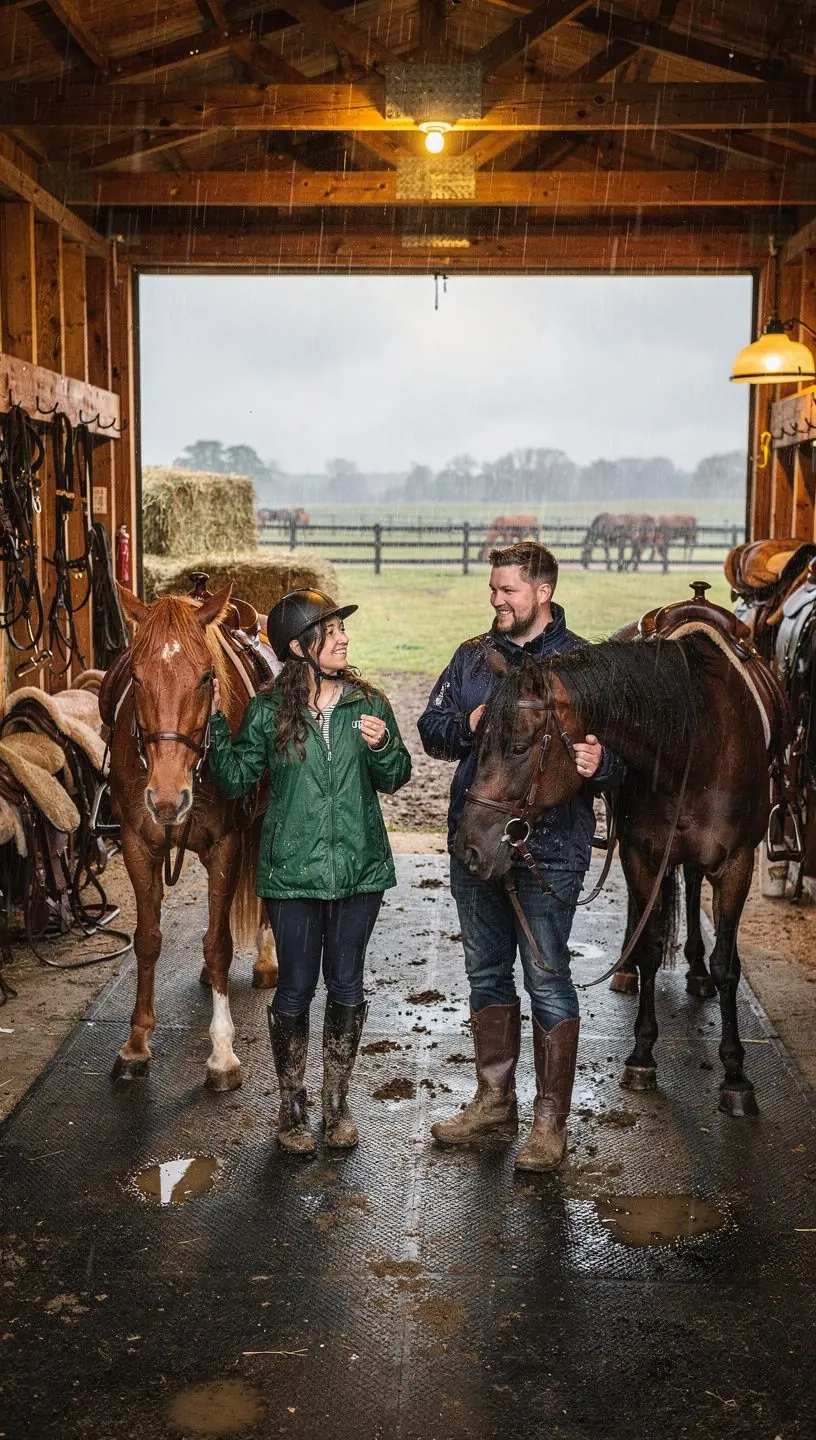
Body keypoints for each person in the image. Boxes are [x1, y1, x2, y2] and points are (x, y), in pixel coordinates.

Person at [417, 542, 622, 1172]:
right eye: (493, 589)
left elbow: (626, 757)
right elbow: (431, 729)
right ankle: (493, 1102)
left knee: (547, 978)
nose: (496, 600)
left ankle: (550, 1124)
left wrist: (601, 763)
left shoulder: (586, 667)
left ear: (542, 592)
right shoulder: (472, 660)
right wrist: (469, 721)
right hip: (476, 841)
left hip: (550, 850)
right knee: (485, 974)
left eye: (507, 590)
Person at [209, 589, 411, 1156]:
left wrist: (385, 745)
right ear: (300, 648)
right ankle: (292, 1105)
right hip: (292, 874)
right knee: (296, 986)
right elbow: (234, 778)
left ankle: (338, 1103)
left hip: (359, 871)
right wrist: (214, 731)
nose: (344, 637)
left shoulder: (368, 703)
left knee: (347, 984)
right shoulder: (270, 712)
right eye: (330, 630)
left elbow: (396, 776)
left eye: (342, 628)